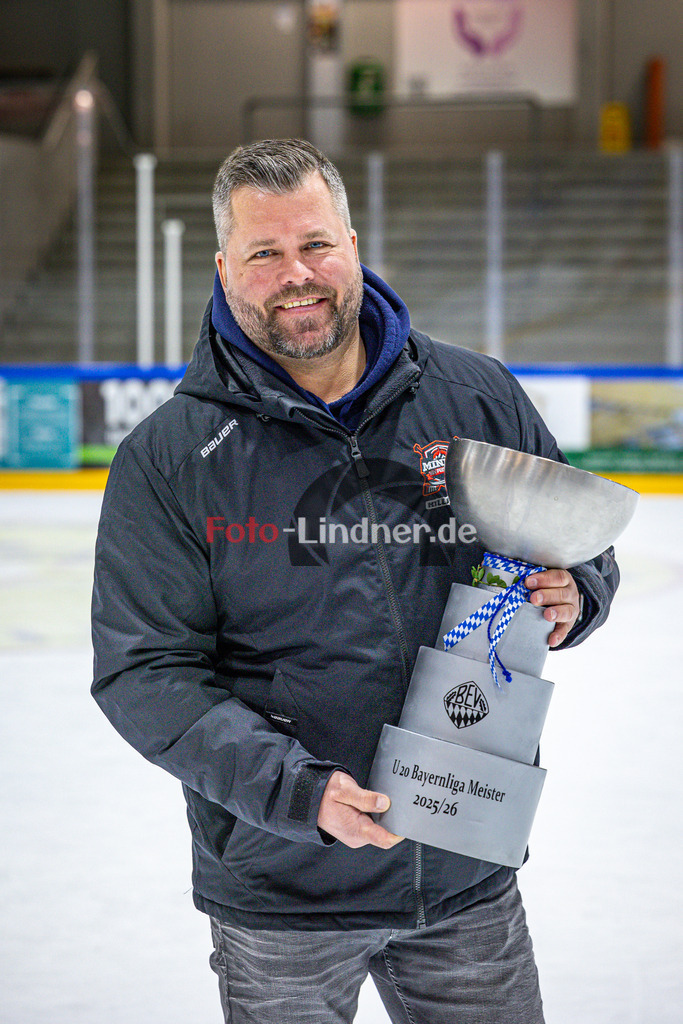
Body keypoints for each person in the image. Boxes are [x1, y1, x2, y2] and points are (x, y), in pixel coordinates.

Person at [91, 138, 619, 1024]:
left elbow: (570, 549)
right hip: (282, 892)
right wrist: (299, 793)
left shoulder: (476, 397)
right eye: (265, 253)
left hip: (462, 872)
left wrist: (580, 592)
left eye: (315, 245)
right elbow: (145, 672)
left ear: (352, 242)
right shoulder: (171, 459)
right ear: (224, 268)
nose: (296, 274)